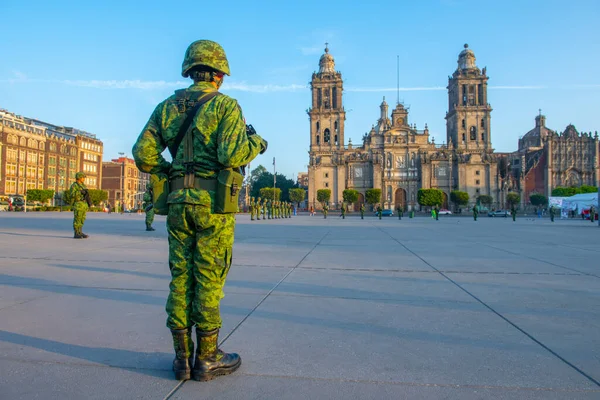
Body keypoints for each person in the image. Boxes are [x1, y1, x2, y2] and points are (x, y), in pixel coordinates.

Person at [133, 40, 267, 382]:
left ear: (190, 70)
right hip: (212, 207)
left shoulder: (167, 107)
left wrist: (171, 174)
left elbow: (143, 153)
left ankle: (181, 358)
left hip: (179, 204)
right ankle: (207, 357)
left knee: (181, 276)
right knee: (208, 275)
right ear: (219, 74)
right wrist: (258, 143)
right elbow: (230, 153)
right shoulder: (225, 106)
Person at [69, 172, 90, 239]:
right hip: (78, 204)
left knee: (82, 218)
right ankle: (76, 233)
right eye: (83, 177)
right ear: (79, 178)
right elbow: (72, 194)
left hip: (83, 204)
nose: (84, 179)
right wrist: (80, 192)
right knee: (77, 218)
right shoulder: (74, 185)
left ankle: (80, 232)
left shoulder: (83, 185)